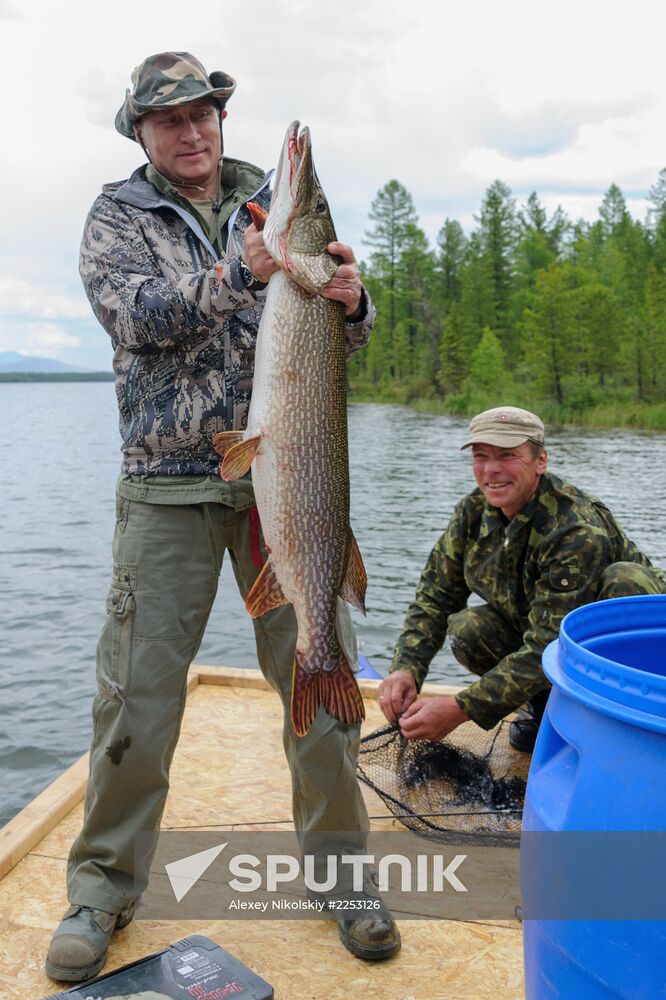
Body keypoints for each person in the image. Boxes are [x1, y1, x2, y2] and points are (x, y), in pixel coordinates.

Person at [46, 52, 399, 983]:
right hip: (167, 489)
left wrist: (355, 300)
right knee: (136, 697)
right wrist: (241, 274)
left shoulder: (273, 209)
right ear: (143, 134)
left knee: (320, 688)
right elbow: (136, 319)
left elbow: (336, 333)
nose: (193, 131)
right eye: (171, 121)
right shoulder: (119, 217)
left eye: (204, 113)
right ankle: (102, 892)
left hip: (289, 485)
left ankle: (344, 882)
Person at [378, 405, 666, 749]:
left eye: (507, 456)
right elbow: (435, 598)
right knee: (468, 630)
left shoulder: (575, 528)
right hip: (546, 638)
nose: (491, 470)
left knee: (625, 582)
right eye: (481, 456)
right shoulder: (471, 513)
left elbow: (550, 643)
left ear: (539, 461)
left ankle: (622, 721)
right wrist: (406, 668)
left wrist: (461, 708)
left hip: (625, 657)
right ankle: (545, 708)